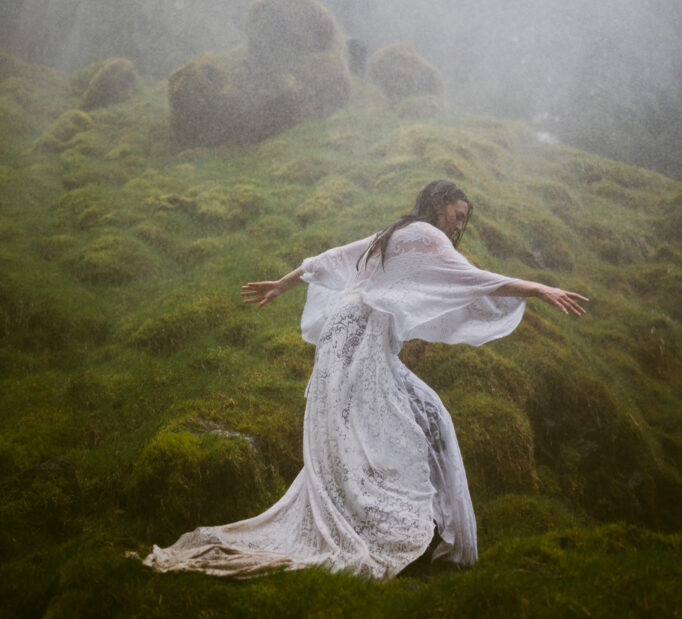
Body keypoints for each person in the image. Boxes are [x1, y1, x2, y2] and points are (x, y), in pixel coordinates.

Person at [143, 180, 587, 579]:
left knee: (419, 416)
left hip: (347, 335)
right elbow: (472, 280)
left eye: (462, 222)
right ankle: (401, 535)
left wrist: (284, 283)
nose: (457, 228)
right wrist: (538, 288)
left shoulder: (395, 235)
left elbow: (333, 259)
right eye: (457, 216)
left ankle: (420, 533)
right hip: (356, 336)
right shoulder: (422, 234)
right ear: (437, 204)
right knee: (397, 427)